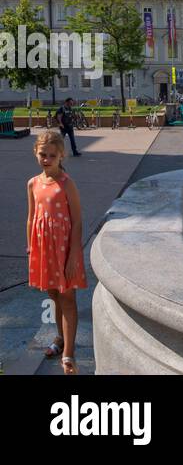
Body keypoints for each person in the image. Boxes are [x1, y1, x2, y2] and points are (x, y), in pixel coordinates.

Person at [27, 131, 87, 374]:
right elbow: (31, 218)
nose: (47, 159)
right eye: (43, 154)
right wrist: (31, 248)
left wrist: (74, 254)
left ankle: (68, 354)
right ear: (36, 153)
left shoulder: (66, 183)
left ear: (61, 155)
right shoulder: (32, 183)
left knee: (68, 299)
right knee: (53, 294)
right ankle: (60, 337)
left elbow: (78, 220)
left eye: (52, 155)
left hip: (64, 250)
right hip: (43, 248)